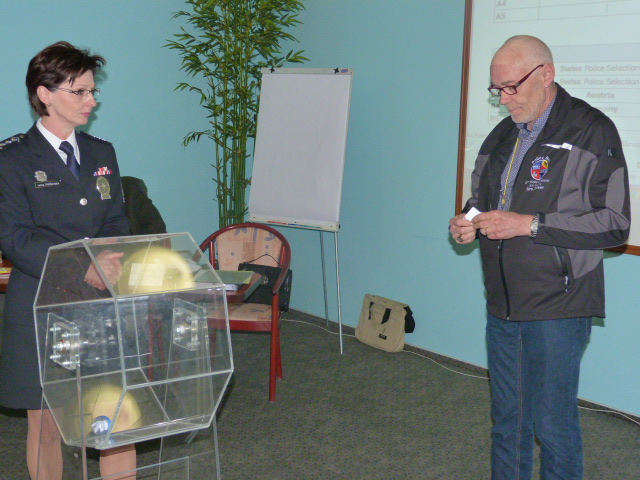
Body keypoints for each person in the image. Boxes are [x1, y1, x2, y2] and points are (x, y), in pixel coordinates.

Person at [449, 35, 630, 480]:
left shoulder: (592, 130)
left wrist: (529, 225)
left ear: (546, 74)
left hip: (559, 305)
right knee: (508, 422)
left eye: (512, 87)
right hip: (503, 304)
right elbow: (481, 200)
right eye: (497, 90)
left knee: (552, 424)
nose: (504, 99)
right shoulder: (501, 135)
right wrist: (467, 222)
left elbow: (615, 224)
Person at [0, 42, 135, 480]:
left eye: (92, 91)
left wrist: (109, 259)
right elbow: (14, 239)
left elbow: (116, 219)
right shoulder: (11, 160)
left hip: (100, 302)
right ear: (45, 94)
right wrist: (83, 267)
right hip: (40, 302)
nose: (91, 100)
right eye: (79, 91)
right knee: (47, 426)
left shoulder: (102, 152)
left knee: (116, 421)